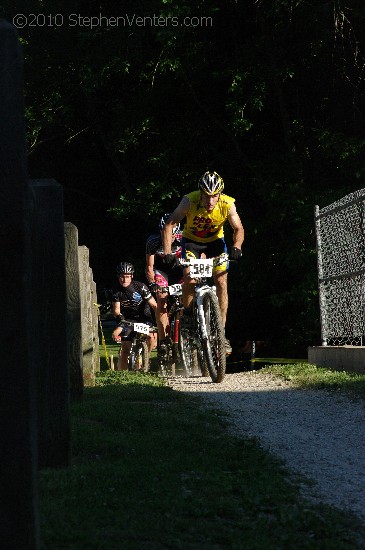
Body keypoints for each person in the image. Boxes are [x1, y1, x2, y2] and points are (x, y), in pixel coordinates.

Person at [162, 171, 244, 354]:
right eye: (206, 196)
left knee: (222, 281)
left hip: (216, 244)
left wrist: (237, 246)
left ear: (220, 195)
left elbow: (238, 228)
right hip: (192, 242)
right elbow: (169, 224)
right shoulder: (189, 201)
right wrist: (168, 252)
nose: (210, 201)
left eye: (214, 196)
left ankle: (221, 334)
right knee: (189, 277)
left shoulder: (228, 204)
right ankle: (189, 316)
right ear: (200, 193)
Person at [145, 213, 183, 357]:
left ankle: (187, 328)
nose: (168, 237)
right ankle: (164, 340)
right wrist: (152, 283)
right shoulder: (153, 241)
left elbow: (198, 256)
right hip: (162, 272)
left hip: (180, 271)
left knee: (186, 297)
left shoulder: (183, 238)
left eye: (171, 234)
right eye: (163, 233)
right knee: (161, 298)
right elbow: (149, 267)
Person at [112, 261, 157, 370]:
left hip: (144, 318)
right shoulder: (116, 291)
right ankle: (122, 376)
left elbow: (154, 305)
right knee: (125, 349)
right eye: (122, 276)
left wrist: (160, 320)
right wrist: (120, 319)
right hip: (128, 320)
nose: (124, 279)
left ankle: (146, 357)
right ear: (118, 277)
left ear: (131, 276)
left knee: (151, 337)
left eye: (127, 276)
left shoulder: (140, 287)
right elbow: (116, 311)